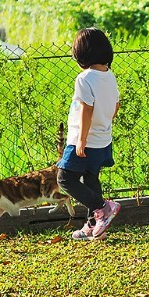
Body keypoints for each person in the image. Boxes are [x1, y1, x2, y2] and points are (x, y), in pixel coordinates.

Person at [57, 27, 121, 240]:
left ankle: (103, 208)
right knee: (91, 180)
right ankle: (94, 226)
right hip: (103, 140)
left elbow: (87, 109)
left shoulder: (84, 78)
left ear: (82, 54)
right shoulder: (109, 76)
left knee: (64, 178)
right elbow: (116, 105)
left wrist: (81, 140)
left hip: (83, 140)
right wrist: (105, 124)